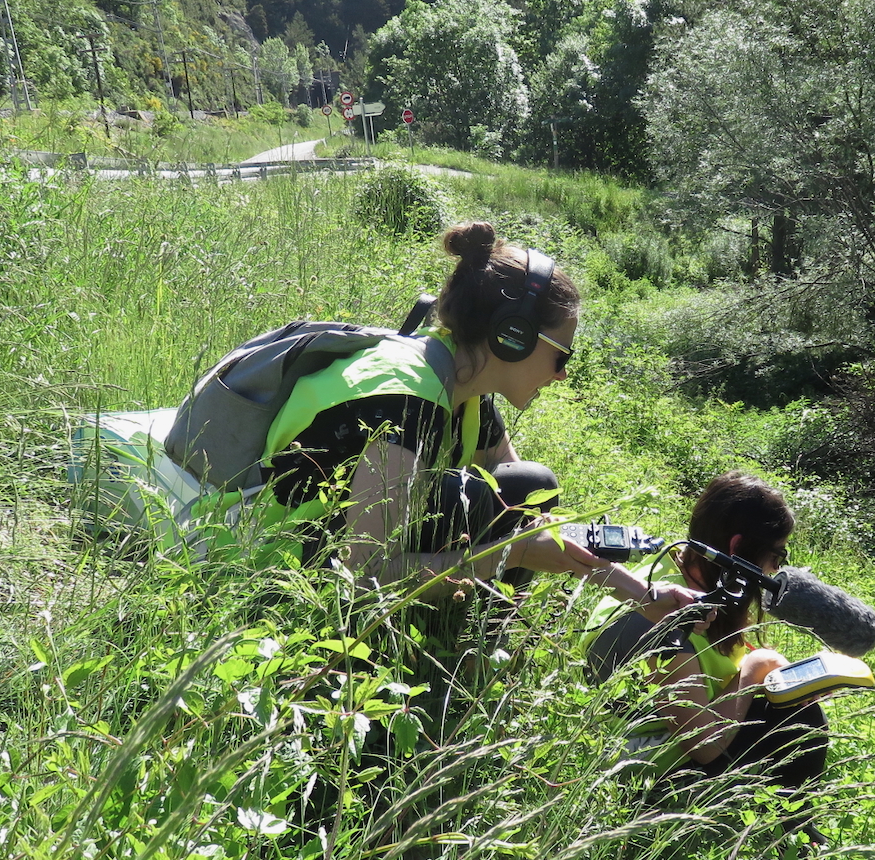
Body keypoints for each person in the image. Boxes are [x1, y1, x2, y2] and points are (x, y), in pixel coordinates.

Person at [258, 219, 695, 621]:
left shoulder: (464, 383)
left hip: (328, 550)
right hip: (275, 571)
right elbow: (364, 576)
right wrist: (514, 554)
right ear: (512, 336)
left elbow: (530, 521)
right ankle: (445, 653)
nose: (562, 374)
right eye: (561, 354)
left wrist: (642, 593)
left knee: (528, 486)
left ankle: (477, 633)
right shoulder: (407, 402)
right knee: (460, 497)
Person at [587, 473, 829, 807]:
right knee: (800, 718)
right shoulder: (673, 621)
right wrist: (759, 667)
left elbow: (711, 663)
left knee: (788, 697)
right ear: (736, 547)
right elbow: (704, 745)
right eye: (776, 556)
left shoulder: (663, 577)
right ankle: (792, 829)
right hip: (643, 775)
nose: (773, 570)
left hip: (650, 741)